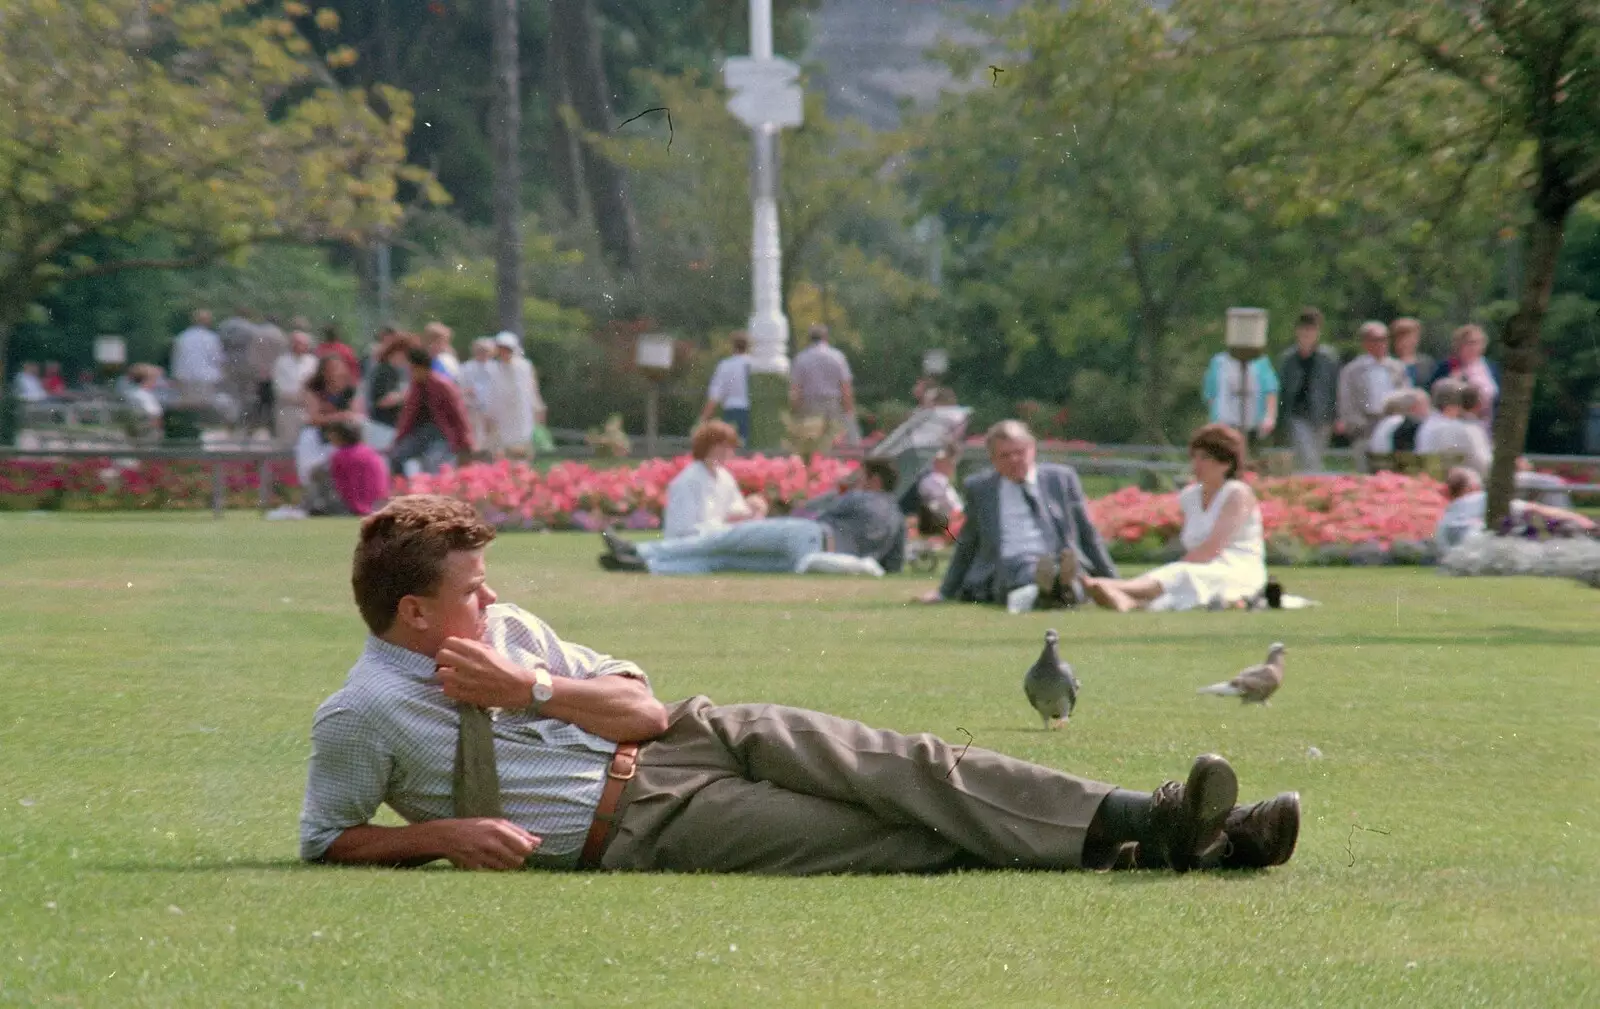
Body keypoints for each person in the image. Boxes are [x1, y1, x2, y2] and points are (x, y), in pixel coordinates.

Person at [300, 494, 1301, 874]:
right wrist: (442, 834)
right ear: (416, 613)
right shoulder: (363, 713)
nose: (495, 599)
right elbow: (327, 839)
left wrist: (530, 688)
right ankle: (1199, 845)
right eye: (473, 592)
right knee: (887, 833)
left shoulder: (511, 635)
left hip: (684, 737)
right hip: (636, 826)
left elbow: (642, 709)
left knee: (907, 763)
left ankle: (1147, 813)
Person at [919, 420, 1117, 612]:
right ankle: (1060, 589)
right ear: (993, 459)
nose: (1014, 460)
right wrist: (945, 592)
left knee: (1064, 569)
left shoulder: (1060, 479)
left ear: (1032, 449)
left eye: (1020, 452)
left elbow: (1087, 533)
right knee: (1031, 570)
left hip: (1057, 557)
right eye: (1005, 456)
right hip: (1007, 565)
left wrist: (1113, 581)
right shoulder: (981, 488)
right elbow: (968, 542)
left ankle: (1050, 589)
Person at [601, 456, 907, 576]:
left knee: (722, 540)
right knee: (725, 563)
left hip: (809, 536)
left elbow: (819, 513)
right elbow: (893, 565)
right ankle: (649, 567)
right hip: (816, 561)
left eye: (862, 476)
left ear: (874, 481)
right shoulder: (897, 518)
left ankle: (640, 551)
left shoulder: (861, 496)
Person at [1083, 425, 1267, 613]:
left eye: (1205, 458)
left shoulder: (1237, 493)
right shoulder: (1190, 496)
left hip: (1237, 571)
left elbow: (1213, 548)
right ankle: (1126, 600)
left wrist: (1179, 567)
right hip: (1199, 568)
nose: (1197, 464)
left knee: (1183, 574)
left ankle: (1112, 587)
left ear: (1225, 463)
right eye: (1194, 457)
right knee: (1179, 578)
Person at [1434, 467, 1595, 552]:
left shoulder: (1444, 520)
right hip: (1487, 550)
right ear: (1472, 487)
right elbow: (1533, 508)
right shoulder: (1482, 499)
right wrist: (1582, 520)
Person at [655, 421, 768, 539]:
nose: (727, 451)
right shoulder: (688, 481)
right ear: (706, 446)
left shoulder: (725, 477)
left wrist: (751, 507)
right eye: (721, 446)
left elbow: (735, 511)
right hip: (686, 550)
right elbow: (686, 529)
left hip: (716, 546)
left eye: (730, 446)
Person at [1336, 321, 1409, 472]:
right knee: (1365, 471)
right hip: (1364, 426)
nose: (1381, 344)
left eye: (1384, 339)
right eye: (1376, 340)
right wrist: (1357, 424)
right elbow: (1346, 400)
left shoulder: (1397, 368)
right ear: (1365, 343)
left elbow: (1406, 394)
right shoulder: (1352, 370)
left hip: (1392, 424)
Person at [391, 345, 474, 476]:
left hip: (442, 435)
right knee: (397, 457)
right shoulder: (416, 387)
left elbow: (459, 415)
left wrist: (466, 442)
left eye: (412, 368)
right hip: (422, 433)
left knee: (432, 464)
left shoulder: (443, 385)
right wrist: (397, 440)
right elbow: (407, 416)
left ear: (420, 368)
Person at [1276, 307, 1341, 472]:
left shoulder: (1329, 358)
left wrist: (1337, 416)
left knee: (1313, 458)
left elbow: (1335, 389)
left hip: (1322, 416)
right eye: (1304, 329)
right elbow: (1282, 390)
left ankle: (1307, 487)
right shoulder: (1288, 359)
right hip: (1297, 414)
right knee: (1308, 457)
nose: (1308, 334)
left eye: (1312, 330)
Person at [296, 354, 365, 486]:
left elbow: (355, 414)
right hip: (319, 435)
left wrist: (334, 416)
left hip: (344, 436)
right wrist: (339, 416)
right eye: (331, 369)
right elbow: (313, 418)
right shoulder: (314, 389)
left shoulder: (351, 390)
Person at [789, 323, 858, 446]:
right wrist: (848, 410)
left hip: (810, 404)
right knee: (834, 441)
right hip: (833, 404)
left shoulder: (801, 359)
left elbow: (796, 390)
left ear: (810, 338)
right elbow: (845, 387)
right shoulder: (837, 357)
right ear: (826, 337)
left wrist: (796, 411)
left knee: (814, 443)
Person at [306, 420, 391, 517]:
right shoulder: (370, 451)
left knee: (317, 474)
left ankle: (312, 507)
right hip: (378, 504)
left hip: (353, 506)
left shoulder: (340, 455)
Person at [1202, 348, 1278, 448]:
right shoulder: (1218, 361)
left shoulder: (1260, 361)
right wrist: (1215, 419)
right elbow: (1210, 393)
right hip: (1224, 423)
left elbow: (1270, 390)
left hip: (1253, 424)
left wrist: (1269, 416)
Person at [1415, 380, 1492, 477]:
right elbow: (1485, 465)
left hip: (1430, 481)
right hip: (1458, 486)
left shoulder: (1426, 425)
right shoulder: (1461, 429)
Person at [1428, 324, 1499, 427]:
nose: (1473, 347)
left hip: (1487, 424)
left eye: (1478, 343)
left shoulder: (1490, 367)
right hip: (1455, 423)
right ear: (1459, 345)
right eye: (1469, 343)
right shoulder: (1448, 366)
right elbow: (1435, 395)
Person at [486, 332, 544, 458]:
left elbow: (532, 389)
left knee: (522, 447)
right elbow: (491, 393)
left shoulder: (524, 366)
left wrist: (538, 408)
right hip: (502, 414)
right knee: (501, 449)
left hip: (521, 412)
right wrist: (489, 415)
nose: (504, 352)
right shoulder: (493, 368)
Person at [898, 443, 964, 538]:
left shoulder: (935, 478)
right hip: (918, 526)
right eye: (951, 463)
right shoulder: (934, 479)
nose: (953, 468)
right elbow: (954, 508)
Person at [363, 330, 413, 454]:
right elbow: (381, 400)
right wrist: (407, 395)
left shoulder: (397, 371)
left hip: (391, 427)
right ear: (398, 352)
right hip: (381, 428)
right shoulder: (384, 371)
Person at [700, 330, 752, 444]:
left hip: (731, 411)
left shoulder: (725, 365)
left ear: (733, 345)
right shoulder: (754, 365)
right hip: (751, 412)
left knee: (730, 448)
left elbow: (715, 395)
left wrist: (703, 419)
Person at [272, 329, 319, 449]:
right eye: (296, 343)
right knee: (287, 445)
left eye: (302, 343)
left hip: (308, 410)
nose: (299, 346)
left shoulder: (313, 362)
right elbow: (279, 387)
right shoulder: (281, 362)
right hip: (288, 409)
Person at [170, 309, 224, 403]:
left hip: (184, 378)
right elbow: (218, 358)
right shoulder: (211, 338)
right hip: (206, 379)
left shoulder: (182, 336)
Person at [1366, 389, 1431, 458]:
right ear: (1413, 407)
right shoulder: (1400, 424)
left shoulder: (1384, 423)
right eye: (1425, 405)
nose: (1428, 411)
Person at [458, 338, 497, 453]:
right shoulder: (466, 368)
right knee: (477, 437)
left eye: (486, 350)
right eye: (480, 350)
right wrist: (467, 391)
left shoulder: (496, 367)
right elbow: (459, 388)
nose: (483, 353)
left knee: (492, 439)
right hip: (473, 408)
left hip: (492, 408)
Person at [1390, 317, 1435, 389]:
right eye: (1400, 336)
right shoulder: (1388, 363)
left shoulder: (1427, 363)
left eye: (1410, 336)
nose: (1405, 341)